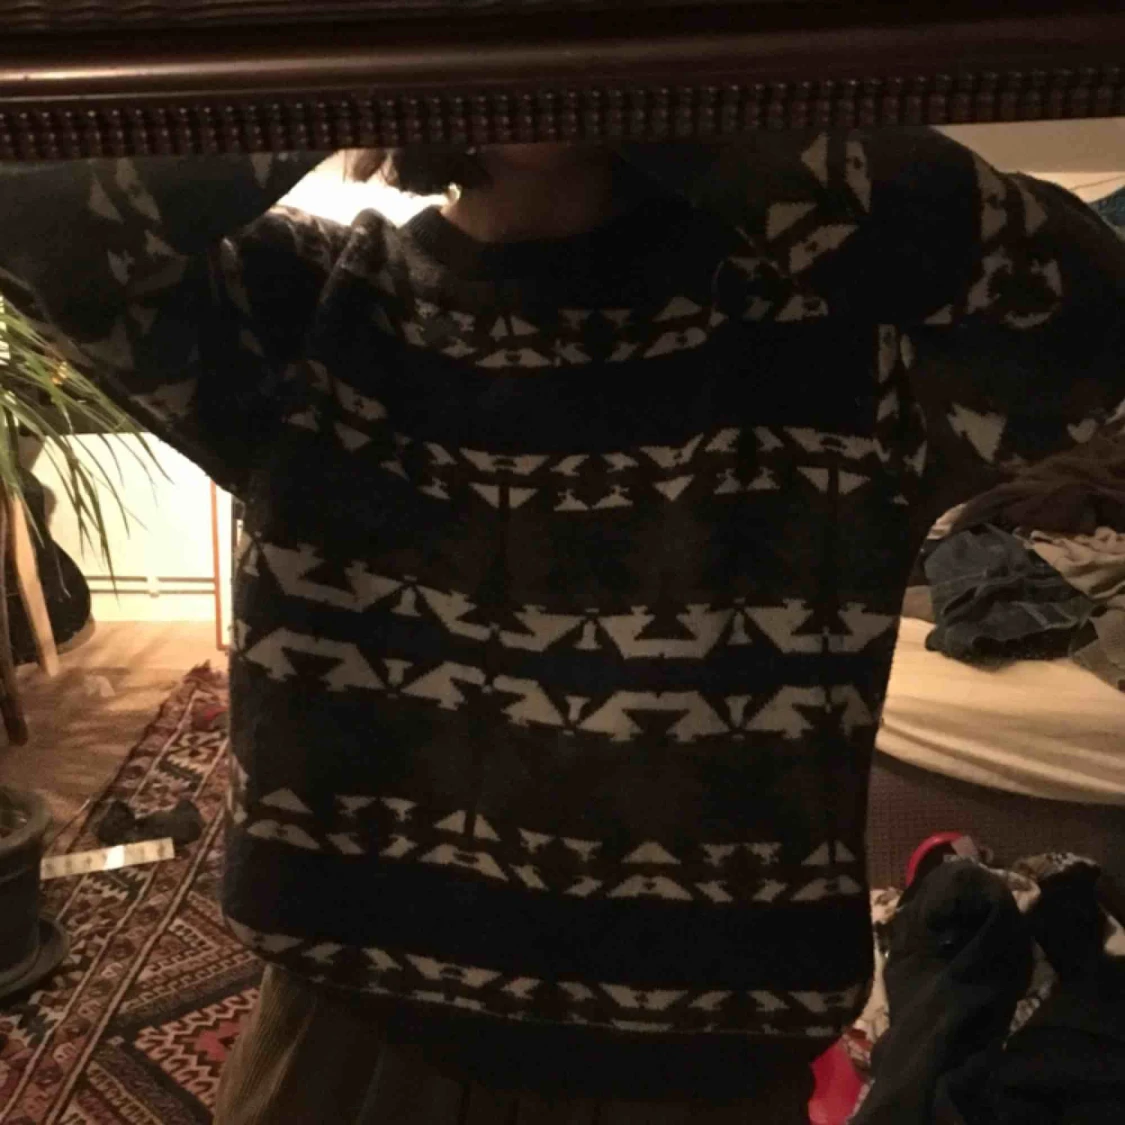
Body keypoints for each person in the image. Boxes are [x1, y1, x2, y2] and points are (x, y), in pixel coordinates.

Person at [1, 130, 1123, 1124]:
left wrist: (679, 95)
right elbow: (33, 211)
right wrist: (359, 56)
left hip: (703, 1066)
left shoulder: (839, 335)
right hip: (351, 1040)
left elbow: (1095, 320)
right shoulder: (306, 308)